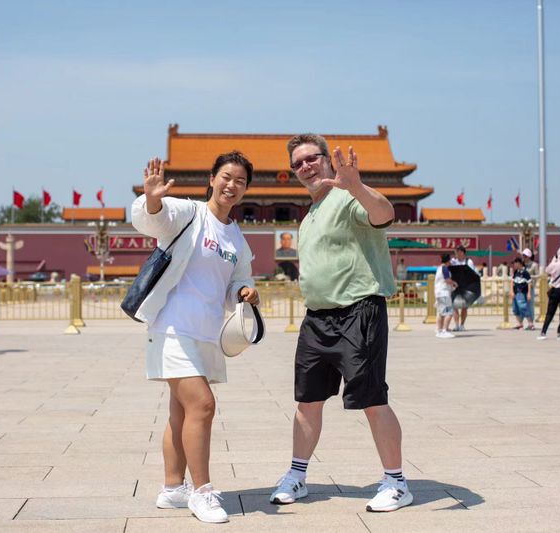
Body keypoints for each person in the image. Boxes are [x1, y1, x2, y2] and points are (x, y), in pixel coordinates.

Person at [269, 134, 412, 513]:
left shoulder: (349, 197)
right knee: (307, 402)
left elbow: (384, 215)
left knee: (371, 399)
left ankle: (396, 482)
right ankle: (298, 475)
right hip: (317, 318)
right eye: (297, 163)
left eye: (312, 158)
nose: (306, 167)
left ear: (327, 160)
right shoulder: (310, 213)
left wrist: (357, 185)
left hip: (358, 312)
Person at [131, 151, 259, 524]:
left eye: (240, 180)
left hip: (206, 333)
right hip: (172, 327)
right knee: (202, 405)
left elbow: (239, 278)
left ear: (246, 189)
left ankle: (173, 489)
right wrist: (153, 198)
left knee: (181, 412)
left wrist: (245, 291)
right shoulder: (189, 214)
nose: (231, 185)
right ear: (212, 178)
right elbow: (153, 218)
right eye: (226, 176)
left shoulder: (236, 236)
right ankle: (202, 492)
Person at [538, 246, 560, 341]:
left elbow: (547, 270)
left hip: (556, 290)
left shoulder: (555, 265)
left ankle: (543, 332)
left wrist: (554, 260)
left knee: (550, 312)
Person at [450, 245, 475, 331]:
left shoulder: (469, 262)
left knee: (464, 307)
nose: (456, 254)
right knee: (454, 306)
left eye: (457, 252)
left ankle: (462, 325)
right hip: (455, 287)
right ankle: (456, 325)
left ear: (462, 252)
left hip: (465, 287)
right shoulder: (453, 261)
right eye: (455, 252)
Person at [434, 253, 457, 338]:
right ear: (448, 260)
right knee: (449, 313)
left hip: (438, 293)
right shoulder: (445, 268)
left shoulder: (439, 268)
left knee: (440, 313)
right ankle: (444, 330)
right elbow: (447, 280)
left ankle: (439, 330)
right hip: (444, 293)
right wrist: (454, 283)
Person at [510, 257, 535, 330]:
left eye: (515, 263)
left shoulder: (525, 273)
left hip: (521, 292)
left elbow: (529, 283)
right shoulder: (516, 272)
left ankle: (530, 323)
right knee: (515, 308)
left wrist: (529, 293)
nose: (514, 265)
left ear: (519, 263)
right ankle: (519, 324)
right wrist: (511, 291)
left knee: (523, 306)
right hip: (515, 292)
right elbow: (512, 281)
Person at [521, 248, 539, 322]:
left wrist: (532, 282)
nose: (524, 257)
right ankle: (520, 322)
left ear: (529, 256)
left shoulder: (534, 265)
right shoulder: (521, 264)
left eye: (525, 256)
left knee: (530, 305)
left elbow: (537, 276)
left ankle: (531, 322)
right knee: (521, 304)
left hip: (530, 288)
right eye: (523, 256)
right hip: (521, 287)